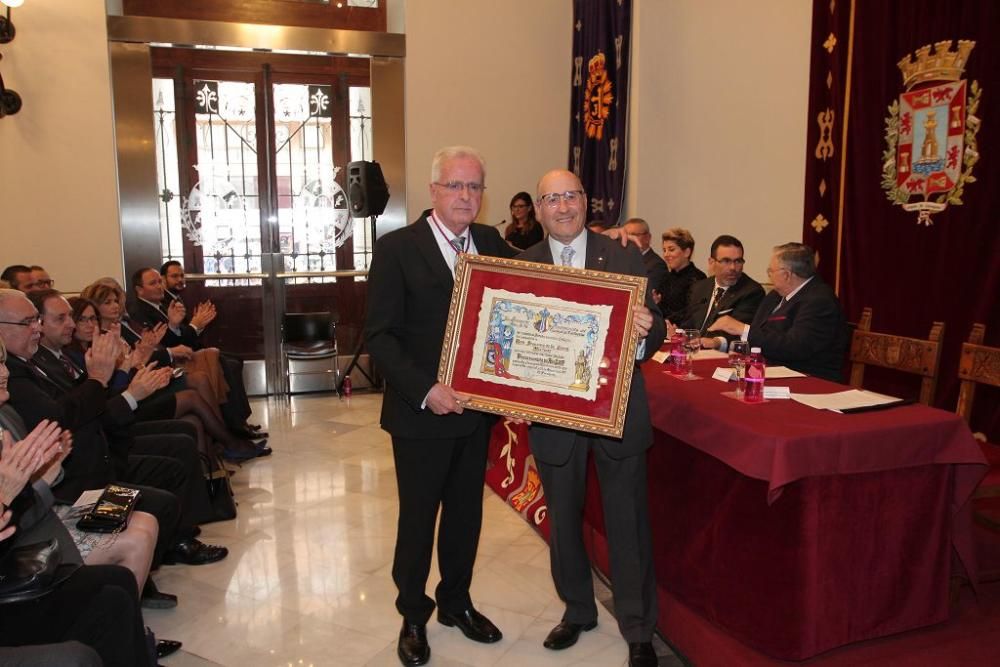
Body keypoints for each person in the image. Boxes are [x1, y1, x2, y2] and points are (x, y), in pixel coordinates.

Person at [364, 146, 517, 667]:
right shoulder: (396, 249)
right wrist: (427, 389)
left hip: (475, 412)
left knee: (466, 516)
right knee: (418, 517)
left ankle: (456, 601)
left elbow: (530, 293)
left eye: (475, 187)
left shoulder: (493, 241)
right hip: (420, 412)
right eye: (455, 186)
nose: (466, 196)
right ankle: (413, 612)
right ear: (434, 191)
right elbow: (380, 337)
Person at [519, 169, 664, 667]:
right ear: (538, 209)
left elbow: (656, 324)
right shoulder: (523, 264)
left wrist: (645, 331)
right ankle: (578, 610)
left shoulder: (624, 254)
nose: (563, 206)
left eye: (571, 196)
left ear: (586, 202)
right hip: (554, 416)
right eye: (552, 198)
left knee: (628, 521)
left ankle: (639, 628)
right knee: (562, 520)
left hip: (617, 409)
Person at [711, 242, 848, 381]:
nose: (769, 276)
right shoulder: (775, 296)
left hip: (809, 380)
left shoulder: (819, 300)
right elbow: (760, 333)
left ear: (787, 275)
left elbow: (795, 347)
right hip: (770, 373)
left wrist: (743, 329)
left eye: (770, 271)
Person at [678, 234, 764, 350]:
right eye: (726, 261)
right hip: (694, 351)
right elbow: (689, 323)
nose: (733, 267)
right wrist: (678, 331)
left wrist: (716, 342)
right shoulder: (700, 287)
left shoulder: (752, 291)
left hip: (723, 356)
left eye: (738, 261)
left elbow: (737, 332)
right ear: (711, 262)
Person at [659, 228, 706, 323]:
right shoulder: (665, 277)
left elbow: (691, 313)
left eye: (671, 250)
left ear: (686, 252)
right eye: (664, 250)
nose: (666, 255)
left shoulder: (698, 279)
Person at [623, 218, 668, 306]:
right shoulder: (622, 260)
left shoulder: (657, 265)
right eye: (626, 236)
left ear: (647, 238)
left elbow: (645, 295)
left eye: (633, 235)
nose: (629, 239)